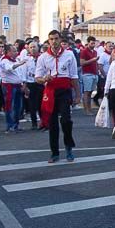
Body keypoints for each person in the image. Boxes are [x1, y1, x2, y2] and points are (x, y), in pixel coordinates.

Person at [35, 29, 79, 162]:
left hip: (64, 90)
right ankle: (54, 153)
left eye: (56, 39)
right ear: (48, 41)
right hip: (50, 91)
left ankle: (68, 147)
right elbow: (37, 77)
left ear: (60, 40)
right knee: (52, 123)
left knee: (66, 120)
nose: (54, 42)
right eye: (51, 39)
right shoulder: (43, 57)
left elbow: (74, 76)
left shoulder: (69, 55)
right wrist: (44, 79)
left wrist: (78, 95)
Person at [0, 41, 27, 132]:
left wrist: (23, 83)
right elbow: (9, 68)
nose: (16, 52)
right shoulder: (4, 60)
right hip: (9, 86)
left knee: (18, 106)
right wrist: (20, 63)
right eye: (13, 51)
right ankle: (10, 125)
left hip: (17, 85)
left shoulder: (16, 59)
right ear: (8, 52)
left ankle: (16, 124)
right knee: (10, 106)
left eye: (16, 50)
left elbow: (20, 73)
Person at [79, 36, 99, 114]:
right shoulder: (84, 51)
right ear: (88, 43)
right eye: (92, 43)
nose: (93, 45)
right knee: (86, 92)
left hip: (94, 73)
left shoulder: (95, 52)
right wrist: (92, 60)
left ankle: (89, 108)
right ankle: (87, 110)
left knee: (90, 92)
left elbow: (96, 63)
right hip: (87, 74)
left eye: (94, 43)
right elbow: (82, 63)